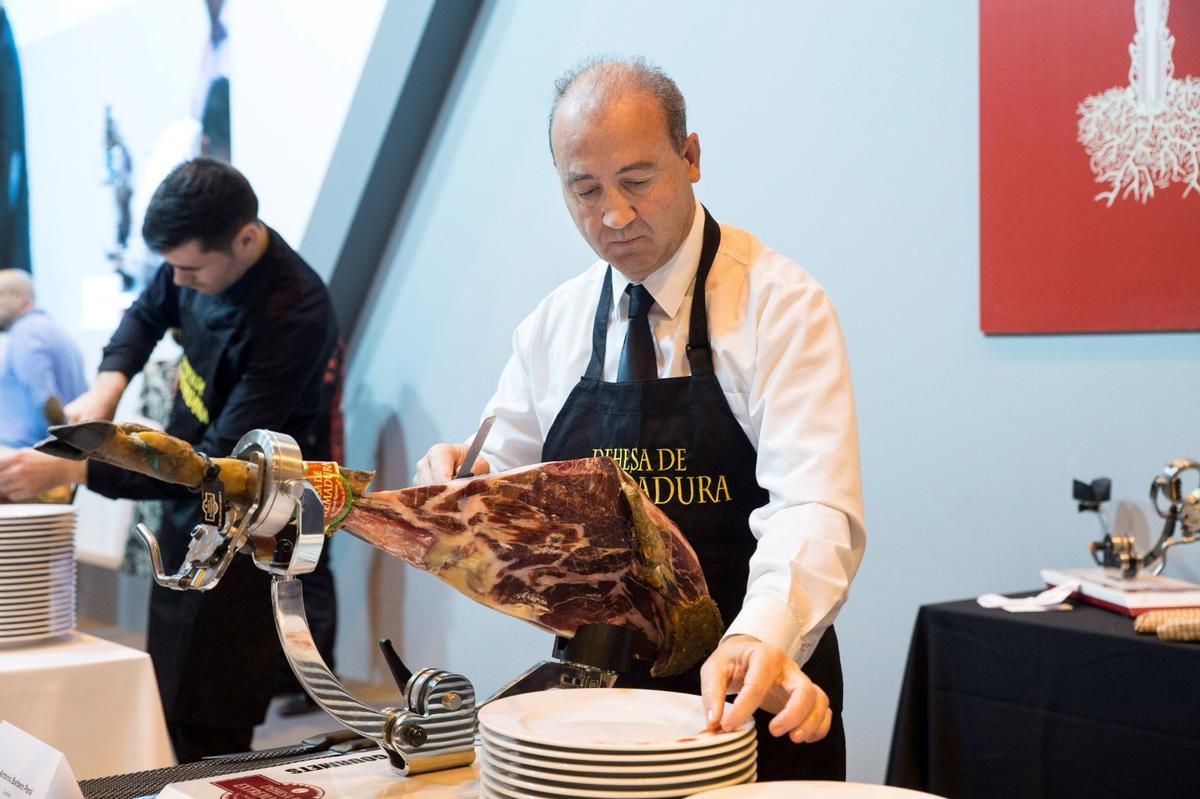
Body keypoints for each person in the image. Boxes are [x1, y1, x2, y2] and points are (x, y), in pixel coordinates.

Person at [413, 57, 865, 781]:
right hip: (596, 702)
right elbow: (509, 480)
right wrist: (460, 479)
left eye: (636, 181)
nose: (614, 214)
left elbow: (813, 504)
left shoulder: (780, 306)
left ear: (690, 158)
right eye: (584, 189)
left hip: (747, 683)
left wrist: (762, 633)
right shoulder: (553, 325)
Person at [0, 158, 341, 762]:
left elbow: (216, 466)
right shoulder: (191, 263)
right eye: (172, 267)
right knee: (166, 685)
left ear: (244, 238)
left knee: (212, 710)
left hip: (255, 521)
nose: (178, 282)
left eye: (189, 269)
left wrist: (76, 468)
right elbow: (146, 314)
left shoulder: (296, 314)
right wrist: (106, 389)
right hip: (192, 504)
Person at [0, 269, 88, 450]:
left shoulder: (26, 333)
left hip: (32, 458)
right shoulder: (53, 330)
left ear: (20, 297)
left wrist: (63, 452)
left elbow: (47, 400)